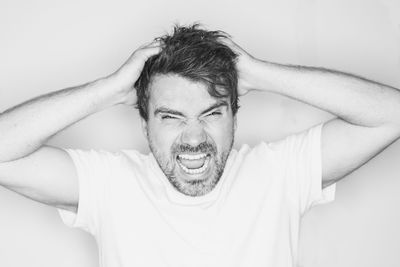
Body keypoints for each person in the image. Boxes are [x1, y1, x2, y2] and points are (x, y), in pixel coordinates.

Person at [0, 24, 399, 267]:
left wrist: (261, 73)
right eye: (171, 117)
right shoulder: (109, 183)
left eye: (211, 113)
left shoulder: (280, 172)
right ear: (144, 123)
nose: (193, 139)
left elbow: (392, 113)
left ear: (235, 116)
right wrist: (106, 90)